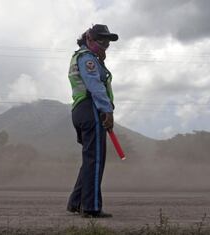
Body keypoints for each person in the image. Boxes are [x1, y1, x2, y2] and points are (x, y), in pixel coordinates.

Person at [67, 24, 118, 218]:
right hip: (91, 109)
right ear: (89, 39)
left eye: (108, 41)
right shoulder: (87, 58)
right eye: (101, 40)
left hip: (80, 110)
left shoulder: (79, 56)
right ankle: (91, 207)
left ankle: (76, 202)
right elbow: (95, 85)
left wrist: (101, 62)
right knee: (95, 160)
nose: (105, 44)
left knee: (90, 160)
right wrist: (107, 110)